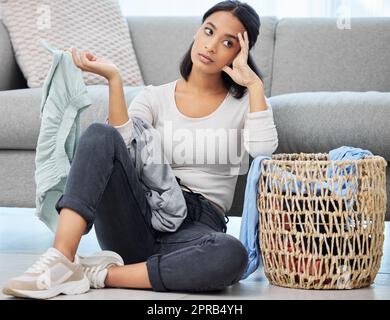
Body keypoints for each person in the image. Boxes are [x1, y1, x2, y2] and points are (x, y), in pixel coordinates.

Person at [3, 0, 278, 299]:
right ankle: (61, 260)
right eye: (208, 31)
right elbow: (119, 150)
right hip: (139, 214)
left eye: (227, 42)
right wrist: (114, 79)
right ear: (197, 32)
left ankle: (101, 274)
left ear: (240, 53)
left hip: (196, 227)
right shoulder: (155, 97)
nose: (211, 46)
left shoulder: (245, 105)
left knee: (230, 254)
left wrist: (254, 86)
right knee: (99, 134)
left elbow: (262, 150)